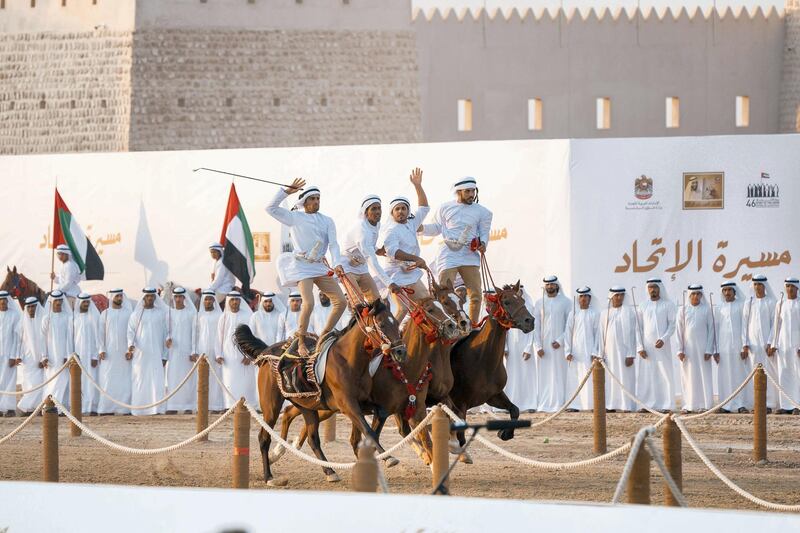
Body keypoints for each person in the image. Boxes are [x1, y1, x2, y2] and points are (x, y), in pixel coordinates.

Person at [266, 179, 347, 355]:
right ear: (305, 202)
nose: (317, 201)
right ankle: (301, 341)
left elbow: (333, 244)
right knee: (308, 303)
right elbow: (270, 208)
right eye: (313, 199)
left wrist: (337, 263)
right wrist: (286, 192)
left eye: (318, 198)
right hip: (302, 267)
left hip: (319, 267)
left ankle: (324, 335)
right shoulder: (295, 217)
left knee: (341, 302)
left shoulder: (327, 221)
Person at [420, 177, 492, 324]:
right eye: (467, 191)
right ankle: (447, 325)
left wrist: (483, 243)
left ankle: (471, 328)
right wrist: (421, 228)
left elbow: (484, 232)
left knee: (476, 295)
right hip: (448, 254)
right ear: (458, 192)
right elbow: (436, 228)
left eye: (473, 191)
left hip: (469, 255)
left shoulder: (483, 212)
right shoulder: (445, 207)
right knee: (444, 294)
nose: (471, 194)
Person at [380, 168, 431, 321]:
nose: (401, 211)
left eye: (403, 208)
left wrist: (417, 186)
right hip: (396, 275)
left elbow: (424, 208)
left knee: (428, 304)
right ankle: (393, 340)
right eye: (397, 209)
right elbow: (393, 252)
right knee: (403, 309)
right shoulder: (391, 230)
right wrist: (416, 258)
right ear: (392, 212)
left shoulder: (411, 223)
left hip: (412, 273)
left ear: (408, 211)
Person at [341, 194, 399, 304]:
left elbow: (369, 245)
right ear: (366, 213)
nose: (378, 212)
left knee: (379, 304)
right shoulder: (362, 230)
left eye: (379, 208)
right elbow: (371, 260)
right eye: (373, 209)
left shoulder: (376, 224)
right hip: (347, 268)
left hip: (362, 268)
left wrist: (378, 250)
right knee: (359, 305)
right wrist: (389, 283)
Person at [528, 276, 571, 412]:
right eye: (547, 285)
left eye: (552, 285)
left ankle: (560, 403)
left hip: (560, 347)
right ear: (545, 287)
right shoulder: (540, 303)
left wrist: (560, 340)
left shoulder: (566, 302)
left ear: (557, 286)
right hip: (544, 347)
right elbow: (536, 326)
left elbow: (570, 325)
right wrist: (538, 346)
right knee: (545, 375)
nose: (550, 287)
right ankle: (545, 404)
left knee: (560, 374)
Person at [595, 286, 640, 412]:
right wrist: (600, 354)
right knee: (610, 378)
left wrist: (631, 354)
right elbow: (601, 334)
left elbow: (632, 334)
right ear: (611, 297)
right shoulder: (605, 313)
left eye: (621, 295)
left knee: (625, 378)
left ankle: (627, 405)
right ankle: (611, 405)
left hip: (625, 353)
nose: (619, 297)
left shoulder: (629, 312)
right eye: (616, 295)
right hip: (609, 353)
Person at [636, 279, 677, 413]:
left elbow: (672, 325)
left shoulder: (668, 305)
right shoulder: (642, 306)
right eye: (650, 287)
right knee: (647, 375)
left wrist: (664, 339)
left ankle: (666, 404)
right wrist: (640, 347)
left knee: (664, 373)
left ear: (660, 288)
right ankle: (647, 405)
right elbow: (638, 328)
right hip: (647, 348)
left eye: (655, 287)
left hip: (662, 346)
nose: (652, 290)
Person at [126, 288, 168, 416]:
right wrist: (131, 345)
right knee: (140, 379)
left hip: (157, 352)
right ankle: (139, 408)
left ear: (155, 297)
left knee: (157, 380)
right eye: (148, 296)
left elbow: (166, 334)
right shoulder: (136, 314)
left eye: (152, 296)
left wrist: (165, 354)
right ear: (144, 297)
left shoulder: (161, 313)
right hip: (140, 354)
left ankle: (157, 409)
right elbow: (130, 332)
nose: (150, 298)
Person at [676, 285, 715, 413]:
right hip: (688, 350)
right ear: (689, 295)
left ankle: (704, 405)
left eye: (698, 294)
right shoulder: (682, 310)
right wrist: (680, 350)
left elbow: (711, 330)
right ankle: (688, 405)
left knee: (704, 375)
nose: (696, 296)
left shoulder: (707, 309)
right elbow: (679, 331)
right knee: (688, 376)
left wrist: (709, 349)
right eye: (693, 294)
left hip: (703, 350)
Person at [743, 275, 778, 411]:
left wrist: (770, 342)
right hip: (752, 345)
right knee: (753, 373)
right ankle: (755, 404)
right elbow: (744, 324)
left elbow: (774, 325)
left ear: (765, 286)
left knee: (768, 373)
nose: (757, 287)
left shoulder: (771, 302)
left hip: (766, 345)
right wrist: (745, 343)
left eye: (760, 284)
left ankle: (768, 404)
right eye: (755, 284)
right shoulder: (749, 303)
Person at [217, 291, 257, 408]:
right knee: (229, 380)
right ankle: (230, 406)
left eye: (237, 300)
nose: (235, 302)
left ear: (240, 301)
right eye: (232, 300)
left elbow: (253, 336)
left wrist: (249, 355)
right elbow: (219, 337)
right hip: (228, 355)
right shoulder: (223, 317)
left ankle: (249, 405)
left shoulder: (248, 316)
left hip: (244, 355)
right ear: (228, 302)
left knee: (246, 381)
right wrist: (219, 354)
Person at [717, 282, 751, 413]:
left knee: (739, 374)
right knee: (725, 376)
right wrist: (715, 350)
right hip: (723, 348)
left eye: (729, 290)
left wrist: (744, 346)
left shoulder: (742, 305)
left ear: (734, 292)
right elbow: (716, 329)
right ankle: (726, 404)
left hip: (738, 347)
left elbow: (745, 327)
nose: (727, 293)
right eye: (724, 290)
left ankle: (741, 404)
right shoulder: (719, 307)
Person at [97, 289, 133, 415]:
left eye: (121, 296)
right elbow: (100, 334)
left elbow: (131, 332)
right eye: (117, 296)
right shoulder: (105, 314)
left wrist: (130, 348)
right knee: (107, 379)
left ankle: (124, 408)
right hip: (109, 353)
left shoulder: (129, 313)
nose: (119, 298)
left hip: (124, 354)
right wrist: (101, 349)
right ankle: (106, 408)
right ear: (112, 297)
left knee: (125, 380)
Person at [563, 286, 599, 411]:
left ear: (590, 298)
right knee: (574, 378)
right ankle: (574, 405)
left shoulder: (595, 313)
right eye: (581, 297)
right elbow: (568, 333)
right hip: (575, 352)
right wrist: (568, 351)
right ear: (578, 299)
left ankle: (590, 405)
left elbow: (597, 334)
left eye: (586, 297)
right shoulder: (573, 313)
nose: (583, 299)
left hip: (589, 352)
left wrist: (595, 351)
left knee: (589, 378)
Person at [503, 285, 537, 412]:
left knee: (526, 375)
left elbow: (533, 328)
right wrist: (505, 347)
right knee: (512, 375)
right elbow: (505, 328)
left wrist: (528, 348)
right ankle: (511, 402)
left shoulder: (529, 305)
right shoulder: (510, 306)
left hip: (525, 346)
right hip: (512, 346)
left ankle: (529, 404)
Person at [165, 287, 198, 414]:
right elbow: (167, 331)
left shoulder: (191, 313)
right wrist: (168, 339)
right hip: (173, 352)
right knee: (173, 377)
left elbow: (195, 333)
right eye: (176, 297)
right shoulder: (169, 313)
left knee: (188, 378)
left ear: (184, 298)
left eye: (180, 297)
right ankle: (172, 405)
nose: (178, 299)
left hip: (187, 351)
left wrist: (193, 351)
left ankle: (188, 406)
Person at [771, 278, 800, 414]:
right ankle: (785, 405)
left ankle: (797, 405)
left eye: (792, 286)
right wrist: (774, 343)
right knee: (783, 373)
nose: (789, 289)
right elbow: (776, 326)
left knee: (797, 374)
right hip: (782, 345)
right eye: (787, 286)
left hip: (796, 345)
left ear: (797, 288)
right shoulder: (780, 303)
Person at [41, 290, 73, 407]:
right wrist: (44, 356)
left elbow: (70, 338)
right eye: (56, 300)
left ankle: (60, 407)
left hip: (64, 356)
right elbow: (42, 339)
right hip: (51, 357)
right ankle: (49, 405)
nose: (58, 302)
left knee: (63, 380)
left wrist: (68, 355)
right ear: (52, 302)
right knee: (52, 381)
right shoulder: (46, 319)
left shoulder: (68, 317)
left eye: (60, 300)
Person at [196, 289, 224, 413]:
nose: (208, 301)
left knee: (216, 377)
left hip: (215, 351)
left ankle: (216, 406)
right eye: (206, 299)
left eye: (210, 299)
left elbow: (222, 335)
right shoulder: (198, 316)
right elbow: (195, 334)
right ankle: (202, 406)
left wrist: (220, 352)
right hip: (201, 350)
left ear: (213, 300)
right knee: (201, 378)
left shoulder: (220, 315)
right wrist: (194, 350)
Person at [73, 292, 100, 415]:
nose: (86, 304)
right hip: (78, 355)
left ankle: (92, 407)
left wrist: (95, 355)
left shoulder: (94, 317)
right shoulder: (73, 318)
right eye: (83, 302)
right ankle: (81, 407)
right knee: (79, 381)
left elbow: (98, 337)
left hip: (91, 356)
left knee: (92, 381)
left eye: (87, 302)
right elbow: (71, 338)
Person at [18, 297, 45, 414]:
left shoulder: (44, 320)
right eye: (28, 307)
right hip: (28, 358)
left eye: (33, 306)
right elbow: (18, 341)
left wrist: (44, 357)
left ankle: (30, 406)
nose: (31, 309)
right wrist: (18, 355)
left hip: (43, 357)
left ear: (37, 306)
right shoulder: (22, 322)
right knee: (30, 383)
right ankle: (29, 408)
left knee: (41, 382)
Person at [0, 291, 22, 416]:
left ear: (8, 302)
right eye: (0, 301)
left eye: (5, 301)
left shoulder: (15, 315)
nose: (3, 303)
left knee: (9, 380)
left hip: (9, 355)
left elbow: (17, 338)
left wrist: (15, 356)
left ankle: (9, 408)